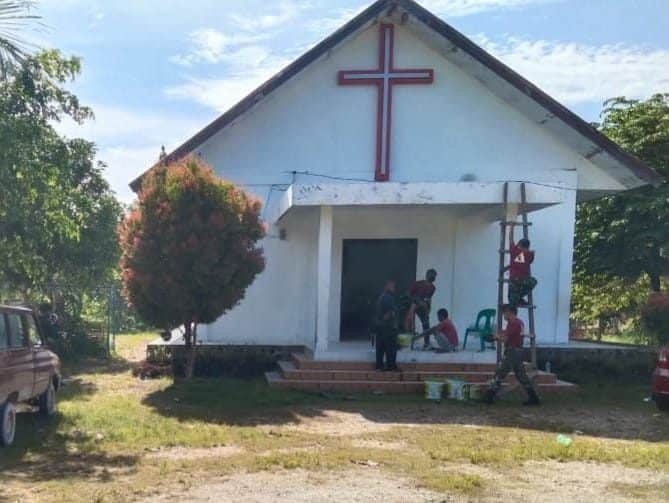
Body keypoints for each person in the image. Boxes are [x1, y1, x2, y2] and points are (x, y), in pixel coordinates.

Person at [483, 305, 540, 406]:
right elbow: (509, 334)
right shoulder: (517, 322)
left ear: (510, 312)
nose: (503, 315)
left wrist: (494, 338)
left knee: (500, 373)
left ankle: (489, 396)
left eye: (504, 312)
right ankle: (533, 397)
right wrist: (497, 335)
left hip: (512, 352)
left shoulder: (514, 323)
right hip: (517, 351)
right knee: (521, 376)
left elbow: (505, 338)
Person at [406, 268, 437, 349]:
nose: (433, 277)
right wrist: (416, 300)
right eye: (432, 275)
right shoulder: (417, 284)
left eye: (434, 276)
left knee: (426, 323)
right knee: (410, 320)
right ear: (427, 275)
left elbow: (428, 299)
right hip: (412, 303)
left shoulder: (433, 288)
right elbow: (408, 294)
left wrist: (428, 309)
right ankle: (409, 335)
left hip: (421, 306)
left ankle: (426, 343)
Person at [506, 225, 537, 308]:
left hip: (513, 281)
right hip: (522, 281)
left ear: (519, 244)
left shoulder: (514, 250)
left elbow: (510, 239)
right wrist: (531, 252)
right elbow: (530, 261)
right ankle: (519, 298)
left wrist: (512, 227)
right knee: (533, 281)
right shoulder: (529, 254)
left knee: (512, 303)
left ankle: (517, 298)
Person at [374, 279, 399, 371]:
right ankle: (391, 366)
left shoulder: (381, 297)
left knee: (380, 348)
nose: (394, 289)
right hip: (388, 327)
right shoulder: (389, 298)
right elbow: (390, 312)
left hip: (380, 327)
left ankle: (379, 366)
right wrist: (393, 324)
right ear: (387, 286)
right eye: (393, 287)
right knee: (391, 348)